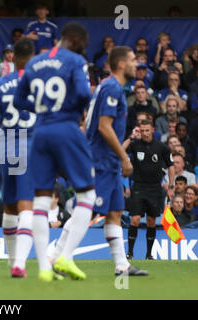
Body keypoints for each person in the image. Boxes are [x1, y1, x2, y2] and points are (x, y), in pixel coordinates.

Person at [13, 22, 96, 281]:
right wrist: (68, 109)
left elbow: (18, 100)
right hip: (67, 129)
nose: (83, 49)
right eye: (82, 45)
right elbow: (84, 93)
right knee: (87, 194)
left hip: (40, 133)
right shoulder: (74, 60)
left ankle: (44, 269)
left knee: (41, 198)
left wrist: (42, 108)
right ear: (75, 40)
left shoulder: (35, 62)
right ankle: (65, 255)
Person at [85, 46, 148, 276]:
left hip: (107, 162)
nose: (137, 64)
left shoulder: (110, 87)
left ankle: (122, 265)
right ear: (121, 64)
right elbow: (104, 127)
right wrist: (124, 157)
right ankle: (56, 256)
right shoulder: (112, 87)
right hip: (101, 160)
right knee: (88, 210)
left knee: (114, 213)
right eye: (133, 60)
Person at [0, 38, 37, 277]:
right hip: (30, 146)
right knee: (27, 206)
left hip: (5, 147)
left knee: (10, 207)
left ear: (12, 58)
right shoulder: (39, 83)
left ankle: (12, 261)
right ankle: (19, 264)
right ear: (32, 57)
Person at [122, 119, 175, 260]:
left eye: (147, 130)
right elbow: (121, 151)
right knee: (135, 219)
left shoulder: (161, 147)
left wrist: (171, 185)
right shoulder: (135, 145)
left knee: (151, 221)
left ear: (152, 130)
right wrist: (130, 137)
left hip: (154, 188)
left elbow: (171, 165)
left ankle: (149, 254)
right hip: (139, 186)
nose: (145, 133)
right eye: (142, 130)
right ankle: (130, 253)